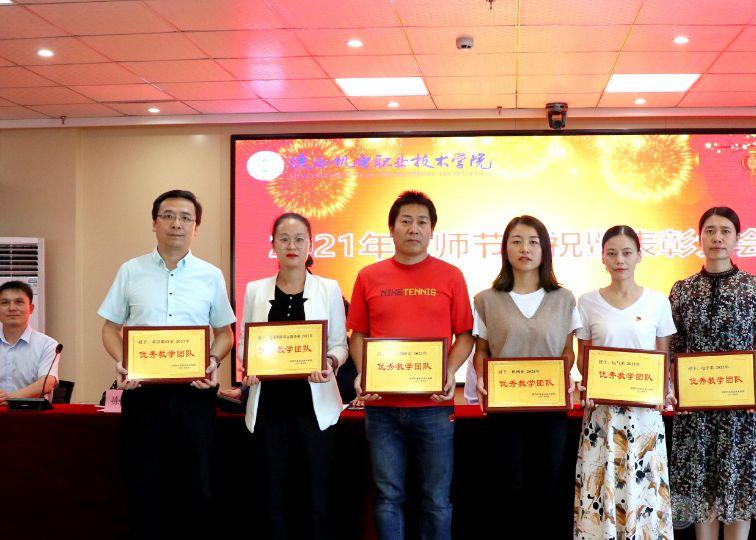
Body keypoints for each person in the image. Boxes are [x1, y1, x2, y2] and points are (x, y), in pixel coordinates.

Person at [98, 189, 235, 540]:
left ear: (196, 228)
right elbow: (110, 329)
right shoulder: (130, 271)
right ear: (154, 223)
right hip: (142, 394)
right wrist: (123, 361)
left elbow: (225, 333)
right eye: (169, 216)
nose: (177, 224)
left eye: (186, 218)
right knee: (145, 486)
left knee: (197, 487)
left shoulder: (210, 275)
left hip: (195, 395)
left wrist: (212, 360)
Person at [347, 190, 474, 540]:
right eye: (405, 221)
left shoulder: (451, 276)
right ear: (391, 228)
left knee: (436, 499)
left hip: (434, 407)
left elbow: (465, 336)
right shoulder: (369, 276)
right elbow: (358, 334)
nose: (413, 228)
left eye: (421, 222)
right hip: (382, 408)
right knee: (388, 496)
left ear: (432, 230)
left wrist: (449, 372)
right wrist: (363, 373)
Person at [238, 212, 348, 539]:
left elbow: (339, 344)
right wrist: (249, 366)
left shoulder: (329, 288)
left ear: (310, 245)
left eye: (299, 239)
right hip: (269, 407)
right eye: (284, 239)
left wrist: (329, 360)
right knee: (273, 496)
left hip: (314, 408)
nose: (292, 246)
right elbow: (245, 342)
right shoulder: (255, 289)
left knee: (315, 497)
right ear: (272, 244)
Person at [668, 207, 756, 540]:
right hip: (696, 409)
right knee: (701, 488)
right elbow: (674, 347)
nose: (717, 238)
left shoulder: (754, 287)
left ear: (737, 238)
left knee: (738, 485)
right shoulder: (682, 290)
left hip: (740, 408)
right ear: (699, 238)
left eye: (725, 231)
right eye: (710, 231)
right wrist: (672, 384)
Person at [472, 215, 580, 539]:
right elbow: (481, 350)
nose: (525, 249)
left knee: (547, 490)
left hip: (550, 410)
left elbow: (568, 350)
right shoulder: (486, 299)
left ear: (545, 249)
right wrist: (481, 376)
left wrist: (563, 375)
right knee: (510, 490)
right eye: (516, 241)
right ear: (505, 249)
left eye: (533, 242)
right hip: (506, 411)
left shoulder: (564, 298)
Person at [573, 225, 677, 539]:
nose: (620, 259)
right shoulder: (587, 302)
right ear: (603, 258)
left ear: (639, 256)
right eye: (613, 253)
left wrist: (663, 390)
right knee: (600, 489)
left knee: (644, 492)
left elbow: (663, 357)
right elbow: (584, 358)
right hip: (602, 416)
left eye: (627, 252)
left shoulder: (657, 302)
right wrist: (590, 386)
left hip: (644, 416)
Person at [0, 280, 58, 405]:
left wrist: (10, 398)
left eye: (19, 302)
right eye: (5, 303)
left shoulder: (48, 345)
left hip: (31, 414)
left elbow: (47, 383)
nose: (12, 308)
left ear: (31, 308)